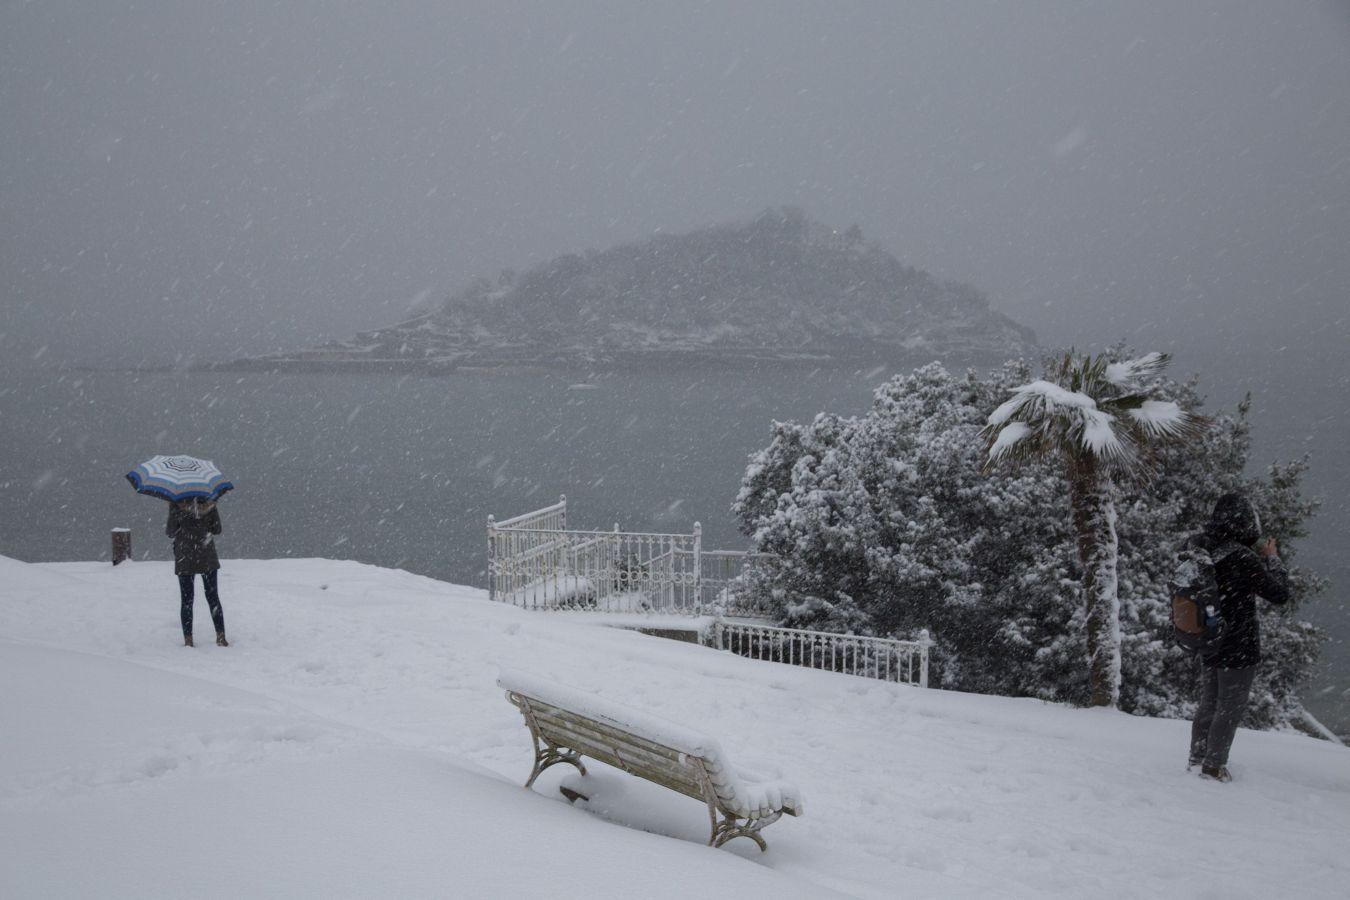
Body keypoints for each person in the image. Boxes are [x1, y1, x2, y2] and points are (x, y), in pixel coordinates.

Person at [1187, 492, 1289, 782]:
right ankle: (1213, 766)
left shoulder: (1200, 547)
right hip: (1238, 643)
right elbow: (1279, 593)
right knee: (1230, 706)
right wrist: (1272, 559)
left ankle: (1197, 758)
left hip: (1208, 634)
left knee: (1210, 701)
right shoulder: (1241, 557)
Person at [167, 497, 228, 647]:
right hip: (206, 555)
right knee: (213, 597)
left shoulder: (176, 503)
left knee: (187, 600)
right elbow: (217, 529)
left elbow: (170, 531)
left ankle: (188, 639)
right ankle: (220, 636)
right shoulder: (209, 501)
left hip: (185, 556)